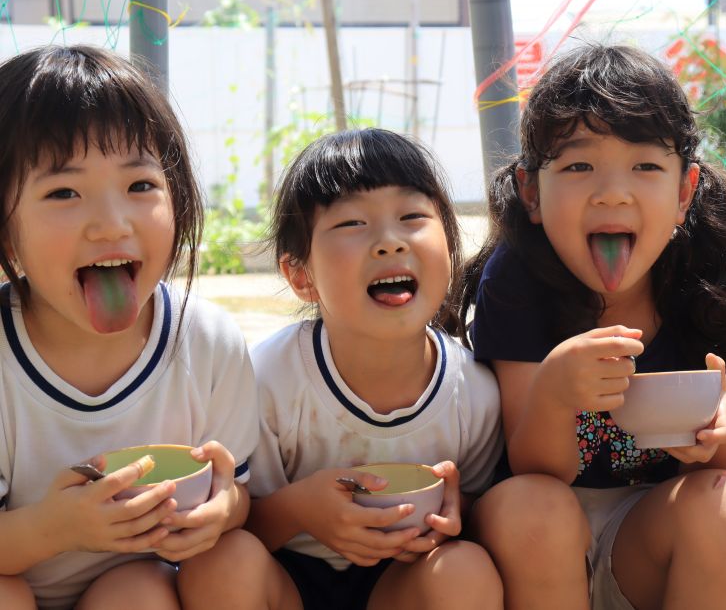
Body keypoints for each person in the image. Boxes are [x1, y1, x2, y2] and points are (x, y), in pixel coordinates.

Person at [460, 44, 726, 610]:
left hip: (651, 536)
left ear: (684, 192)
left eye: (646, 166)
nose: (612, 191)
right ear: (531, 192)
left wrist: (722, 435)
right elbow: (536, 471)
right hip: (535, 545)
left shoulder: (711, 277)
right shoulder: (519, 277)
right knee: (535, 508)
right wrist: (555, 396)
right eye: (579, 166)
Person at [0, 45, 270, 609]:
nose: (111, 225)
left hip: (143, 592)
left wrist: (221, 511)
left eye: (140, 185)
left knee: (145, 589)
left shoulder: (207, 341)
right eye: (63, 192)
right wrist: (57, 528)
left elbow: (239, 494)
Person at [245, 128, 504, 610]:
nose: (389, 242)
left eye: (411, 217)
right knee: (227, 561)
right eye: (352, 224)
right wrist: (302, 508)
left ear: (450, 247)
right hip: (286, 580)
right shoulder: (269, 379)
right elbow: (238, 522)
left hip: (401, 584)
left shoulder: (474, 391)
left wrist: (454, 513)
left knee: (464, 568)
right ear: (301, 276)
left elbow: (477, 508)